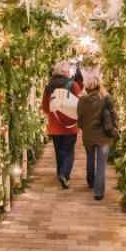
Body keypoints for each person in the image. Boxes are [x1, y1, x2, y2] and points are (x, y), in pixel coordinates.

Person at [76, 74, 117, 201]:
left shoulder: (82, 100)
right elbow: (113, 116)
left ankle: (91, 182)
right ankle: (98, 193)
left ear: (87, 86)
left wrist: (85, 127)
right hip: (104, 136)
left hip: (88, 135)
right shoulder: (105, 98)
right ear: (100, 85)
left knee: (89, 159)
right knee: (100, 165)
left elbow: (80, 120)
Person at [41, 60, 81, 189]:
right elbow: (79, 104)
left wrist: (53, 114)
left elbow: (44, 106)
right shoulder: (74, 85)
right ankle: (64, 174)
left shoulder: (48, 87)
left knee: (59, 150)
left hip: (55, 125)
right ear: (64, 71)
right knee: (69, 150)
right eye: (69, 69)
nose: (70, 71)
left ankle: (60, 172)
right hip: (70, 125)